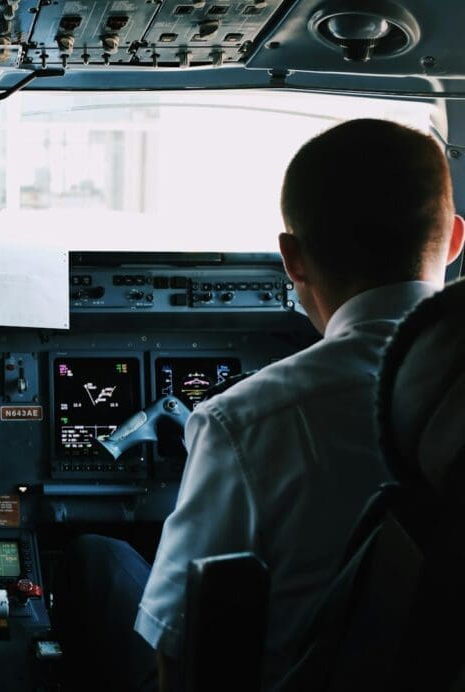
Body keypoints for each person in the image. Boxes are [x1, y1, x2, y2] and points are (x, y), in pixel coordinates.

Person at [52, 118, 465, 690]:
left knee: (97, 556)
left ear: (292, 258)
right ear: (454, 240)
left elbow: (181, 653)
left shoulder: (245, 420)